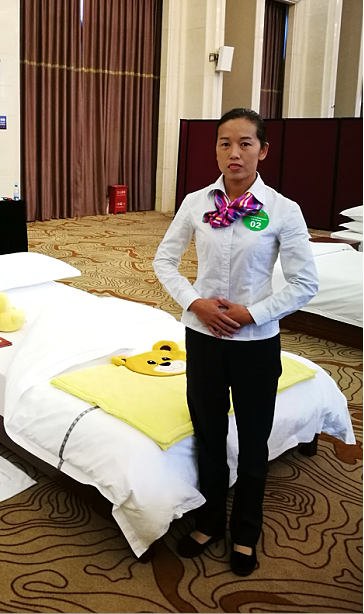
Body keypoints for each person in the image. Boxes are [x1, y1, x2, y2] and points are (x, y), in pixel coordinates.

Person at [153, 108, 318, 577]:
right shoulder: (194, 203)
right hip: (203, 338)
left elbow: (305, 283)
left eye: (245, 143)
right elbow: (164, 261)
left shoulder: (283, 210)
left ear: (263, 150)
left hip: (255, 343)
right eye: (225, 143)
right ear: (216, 150)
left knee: (252, 440)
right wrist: (196, 303)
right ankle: (209, 522)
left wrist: (253, 313)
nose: (234, 153)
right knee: (208, 435)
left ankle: (246, 530)